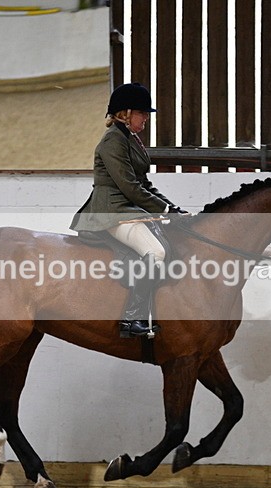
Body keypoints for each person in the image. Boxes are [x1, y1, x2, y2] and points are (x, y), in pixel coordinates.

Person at [70, 82, 188, 338]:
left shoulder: (131, 139)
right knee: (155, 251)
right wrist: (166, 209)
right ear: (125, 113)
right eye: (142, 113)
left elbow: (144, 184)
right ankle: (131, 319)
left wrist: (172, 207)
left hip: (128, 208)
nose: (146, 118)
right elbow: (129, 186)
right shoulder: (113, 140)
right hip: (111, 210)